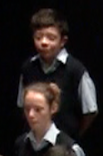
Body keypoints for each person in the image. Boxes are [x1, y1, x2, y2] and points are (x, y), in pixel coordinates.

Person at [17, 9, 97, 141]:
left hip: (65, 142)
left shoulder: (75, 70)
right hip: (34, 140)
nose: (44, 42)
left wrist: (73, 135)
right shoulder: (28, 68)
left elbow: (90, 111)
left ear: (63, 41)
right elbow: (21, 104)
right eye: (38, 37)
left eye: (51, 38)